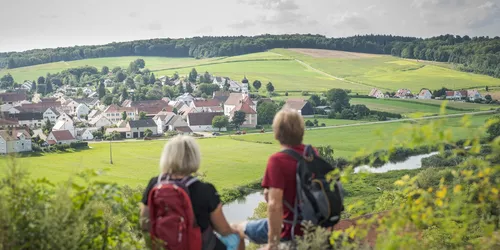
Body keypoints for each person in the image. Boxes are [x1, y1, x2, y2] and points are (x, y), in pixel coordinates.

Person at [139, 135, 239, 250]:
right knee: (235, 237)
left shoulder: (154, 184)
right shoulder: (205, 190)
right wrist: (236, 230)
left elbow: (144, 222)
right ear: (194, 158)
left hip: (164, 246)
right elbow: (224, 230)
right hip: (198, 246)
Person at [233, 109, 308, 250]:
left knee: (236, 229)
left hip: (289, 228)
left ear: (277, 133)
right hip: (312, 226)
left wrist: (272, 244)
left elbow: (274, 205)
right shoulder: (312, 155)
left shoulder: (278, 160)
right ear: (301, 130)